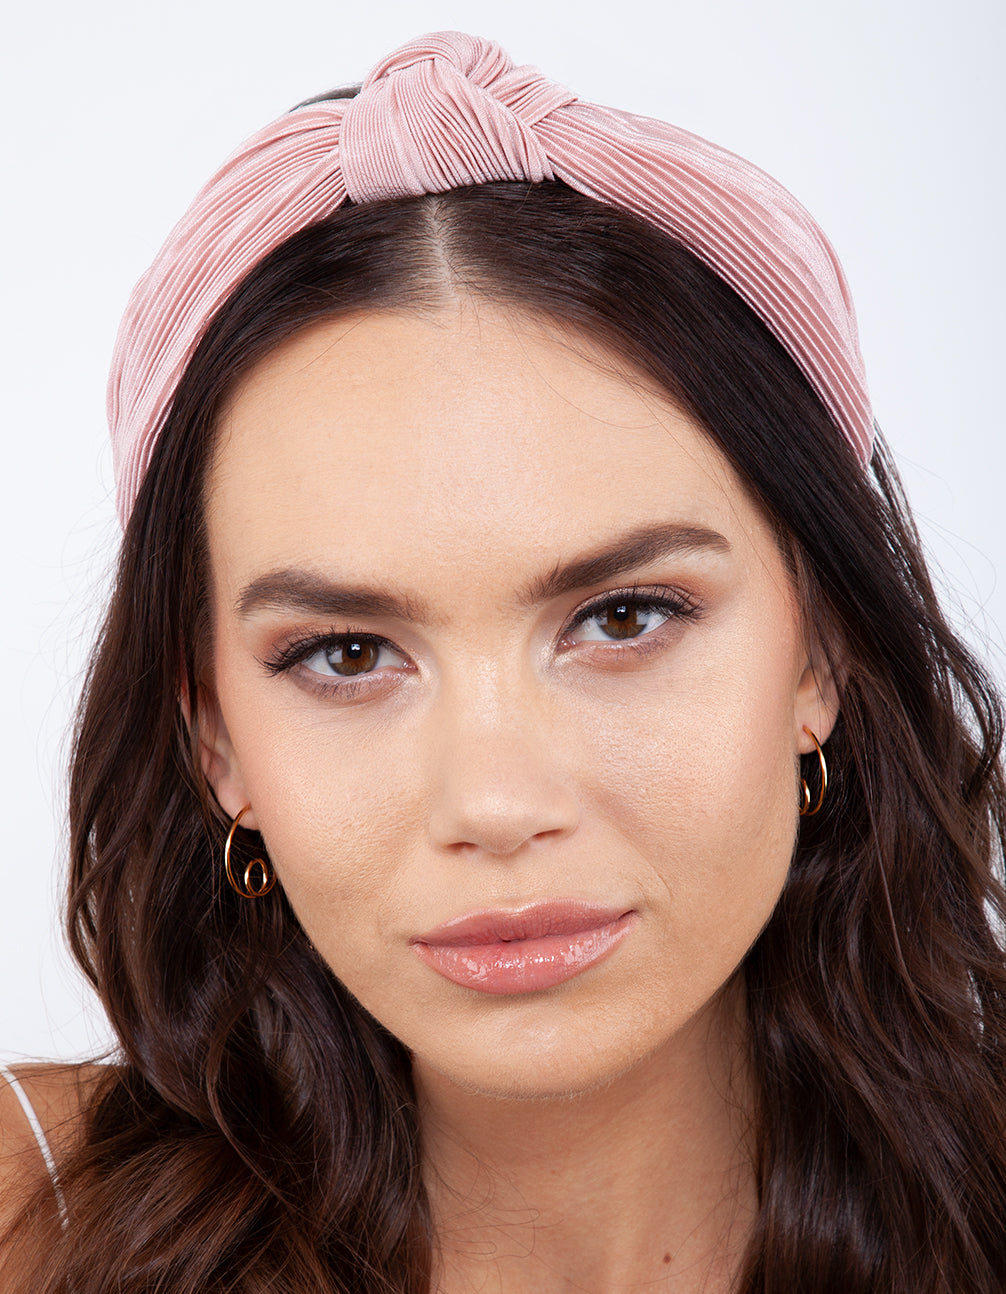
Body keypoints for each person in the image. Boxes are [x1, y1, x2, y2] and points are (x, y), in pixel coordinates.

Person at [1, 30, 1004, 1294]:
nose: (495, 801)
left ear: (821, 652)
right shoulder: (29, 1217)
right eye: (346, 653)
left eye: (623, 618)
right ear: (216, 740)